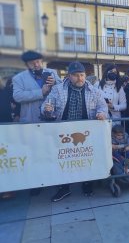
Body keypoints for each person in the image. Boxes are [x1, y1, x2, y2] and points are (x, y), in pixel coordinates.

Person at [41, 61, 108, 202]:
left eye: (82, 75)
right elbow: (47, 105)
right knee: (64, 160)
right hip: (63, 132)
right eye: (76, 75)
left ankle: (87, 184)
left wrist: (102, 114)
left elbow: (103, 107)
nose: (80, 78)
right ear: (69, 76)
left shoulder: (95, 91)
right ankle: (64, 188)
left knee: (86, 158)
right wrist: (47, 110)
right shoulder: (57, 89)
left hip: (85, 133)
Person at [13, 51, 61, 123]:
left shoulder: (52, 72)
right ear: (27, 65)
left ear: (41, 61)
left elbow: (63, 88)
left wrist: (55, 83)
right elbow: (17, 96)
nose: (36, 65)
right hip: (30, 121)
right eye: (32, 63)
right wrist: (40, 92)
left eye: (38, 61)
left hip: (51, 118)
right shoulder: (18, 78)